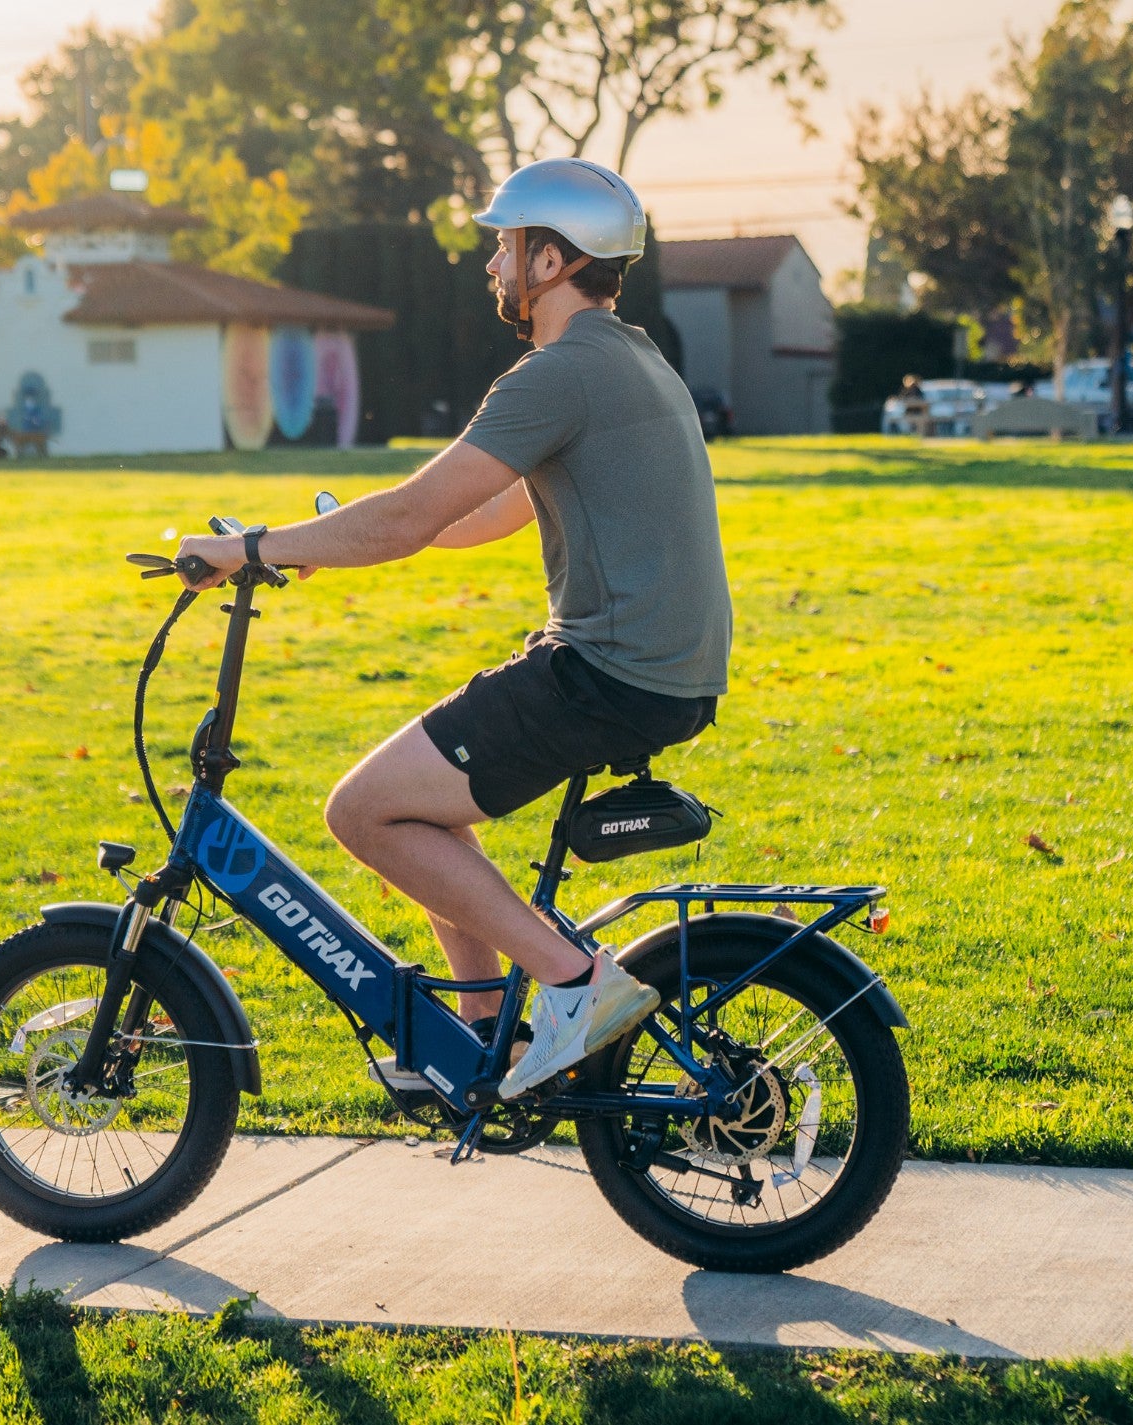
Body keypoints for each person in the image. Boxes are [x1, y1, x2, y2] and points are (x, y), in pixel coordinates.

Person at [176, 158, 732, 1099]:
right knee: (422, 804)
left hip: (605, 672)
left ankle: (576, 984)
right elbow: (486, 509)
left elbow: (410, 515)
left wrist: (247, 549)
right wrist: (328, 540)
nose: (492, 265)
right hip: (659, 670)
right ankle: (482, 1042)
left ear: (551, 260)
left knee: (363, 810)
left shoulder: (557, 375)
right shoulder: (631, 358)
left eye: (506, 246)